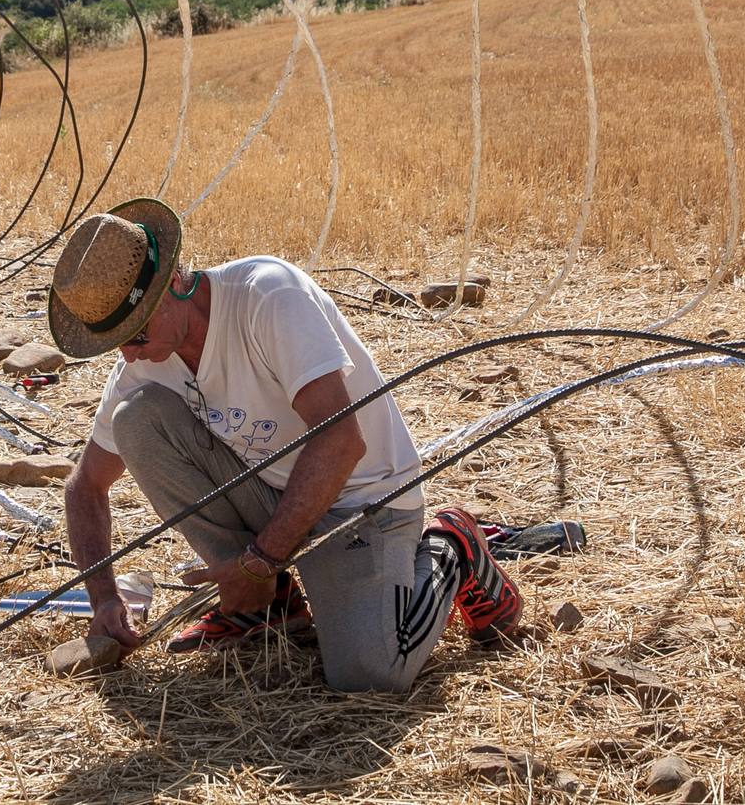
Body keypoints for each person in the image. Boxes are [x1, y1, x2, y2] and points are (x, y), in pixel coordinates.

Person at [53, 197, 550, 693]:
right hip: (276, 500)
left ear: (174, 284)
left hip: (361, 501)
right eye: (114, 340)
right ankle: (270, 604)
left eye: (136, 332)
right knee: (137, 420)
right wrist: (103, 598)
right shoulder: (142, 360)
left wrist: (258, 560)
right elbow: (85, 487)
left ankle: (452, 547)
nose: (128, 352)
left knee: (371, 672)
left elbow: (340, 441)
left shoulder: (267, 295)